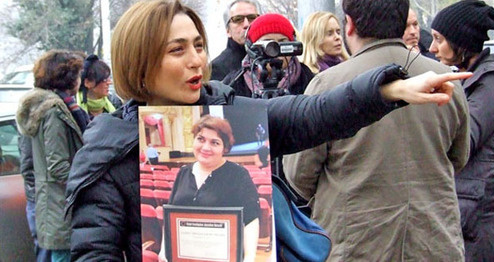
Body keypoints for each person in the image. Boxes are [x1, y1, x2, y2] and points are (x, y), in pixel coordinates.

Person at [64, 0, 471, 261]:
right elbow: (93, 252)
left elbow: (312, 113)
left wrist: (386, 89)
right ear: (139, 61)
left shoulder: (233, 115)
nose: (197, 61)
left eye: (198, 46)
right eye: (177, 50)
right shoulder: (110, 150)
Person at [283, 0, 470, 261]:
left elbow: (298, 175)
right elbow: (459, 157)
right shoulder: (443, 79)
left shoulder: (328, 85)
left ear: (349, 24)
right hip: (434, 240)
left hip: (356, 242)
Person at [429, 1, 494, 261]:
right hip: (471, 215)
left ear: (462, 42)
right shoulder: (471, 79)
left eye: (439, 39)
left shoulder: (490, 83)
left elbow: (465, 139)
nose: (432, 47)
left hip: (480, 222)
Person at [16, 50, 85, 262]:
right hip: (60, 203)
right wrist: (88, 178)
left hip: (50, 202)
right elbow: (58, 166)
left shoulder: (40, 108)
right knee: (62, 256)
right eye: (78, 74)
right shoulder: (54, 110)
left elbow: (28, 163)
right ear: (70, 78)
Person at [168, 115, 260, 261]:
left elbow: (251, 219)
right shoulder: (183, 172)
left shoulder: (238, 175)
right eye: (201, 139)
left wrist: (249, 257)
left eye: (215, 142)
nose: (205, 147)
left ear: (225, 148)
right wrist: (163, 250)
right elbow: (170, 215)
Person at [223, 13, 315, 98]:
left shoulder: (308, 79)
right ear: (252, 47)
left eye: (282, 42)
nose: (276, 51)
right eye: (268, 43)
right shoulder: (234, 82)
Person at [18, 135, 52, 262]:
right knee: (46, 248)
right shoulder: (31, 126)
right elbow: (28, 169)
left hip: (42, 198)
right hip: (40, 200)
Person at [210, 0, 261, 81]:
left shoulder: (275, 59)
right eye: (238, 19)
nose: (246, 24)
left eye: (252, 18)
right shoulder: (216, 69)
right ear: (228, 30)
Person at [77, 54, 122, 119]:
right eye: (104, 79)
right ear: (87, 83)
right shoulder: (74, 107)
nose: (109, 83)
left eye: (109, 78)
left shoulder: (115, 103)